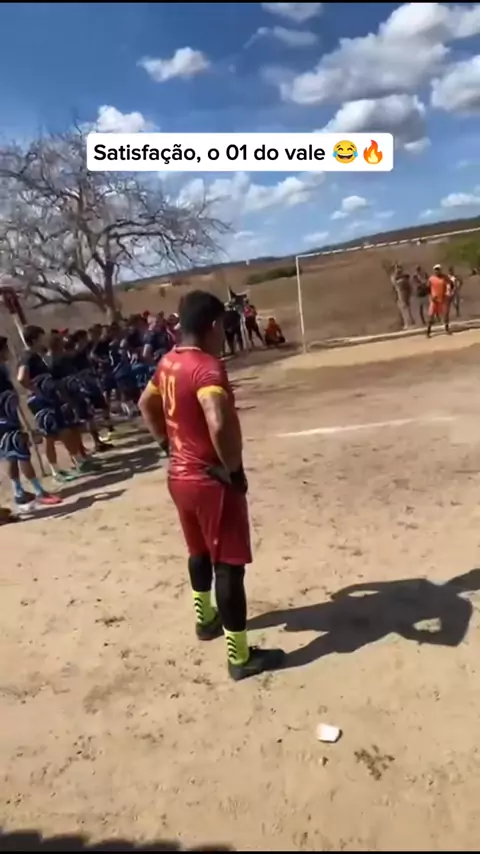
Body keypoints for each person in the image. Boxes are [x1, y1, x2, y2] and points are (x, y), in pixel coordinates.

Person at [138, 290, 285, 682]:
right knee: (229, 566)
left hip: (179, 476)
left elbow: (145, 404)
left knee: (198, 551)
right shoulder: (206, 368)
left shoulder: (168, 362)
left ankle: (205, 620)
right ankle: (240, 657)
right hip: (210, 481)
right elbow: (217, 421)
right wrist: (233, 470)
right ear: (215, 325)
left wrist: (166, 446)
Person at [17, 325, 99, 482]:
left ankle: (79, 461)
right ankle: (56, 470)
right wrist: (37, 391)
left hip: (50, 399)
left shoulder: (37, 356)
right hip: (40, 402)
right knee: (49, 436)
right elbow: (22, 378)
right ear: (34, 339)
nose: (44, 339)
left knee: (64, 431)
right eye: (42, 336)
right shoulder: (28, 356)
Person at [0, 336, 62, 510]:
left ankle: (19, 492)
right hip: (5, 422)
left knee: (11, 456)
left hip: (9, 420)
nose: (8, 352)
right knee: (21, 454)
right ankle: (39, 491)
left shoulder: (3, 370)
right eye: (5, 349)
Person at [426, 264, 451, 338]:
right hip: (434, 299)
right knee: (431, 315)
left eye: (438, 269)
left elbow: (449, 285)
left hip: (443, 298)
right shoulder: (431, 279)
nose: (437, 271)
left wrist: (448, 293)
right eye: (436, 270)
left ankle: (446, 329)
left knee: (445, 314)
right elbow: (428, 289)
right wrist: (431, 297)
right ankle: (428, 331)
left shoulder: (445, 277)